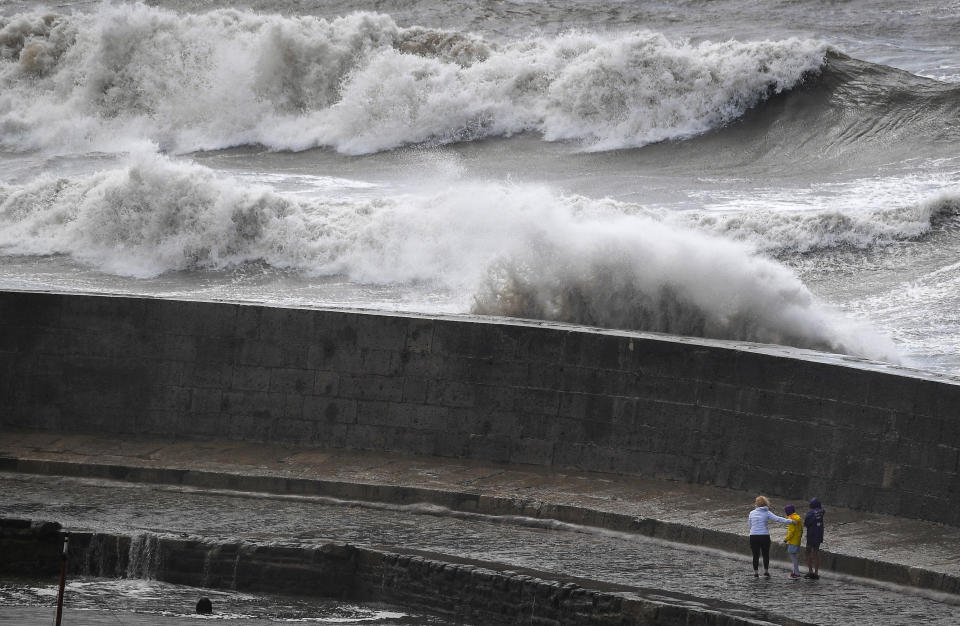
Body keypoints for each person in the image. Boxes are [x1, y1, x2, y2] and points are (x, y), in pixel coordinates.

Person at [748, 496, 798, 578]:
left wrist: (754, 531)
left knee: (755, 555)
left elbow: (750, 525)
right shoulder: (767, 512)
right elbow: (778, 519)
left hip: (753, 536)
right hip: (764, 536)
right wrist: (791, 521)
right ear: (766, 503)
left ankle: (756, 573)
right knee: (766, 554)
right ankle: (766, 572)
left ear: (756, 504)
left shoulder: (751, 513)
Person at [804, 497, 826, 579]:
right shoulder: (821, 512)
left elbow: (806, 524)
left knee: (807, 552)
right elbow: (822, 509)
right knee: (816, 553)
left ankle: (810, 571)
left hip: (811, 535)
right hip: (819, 535)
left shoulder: (810, 514)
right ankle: (816, 572)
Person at [783, 504, 803, 579]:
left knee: (793, 558)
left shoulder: (791, 520)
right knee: (795, 557)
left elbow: (791, 532)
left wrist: (786, 539)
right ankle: (795, 572)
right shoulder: (798, 518)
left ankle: (796, 573)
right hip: (797, 541)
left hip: (793, 542)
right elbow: (801, 530)